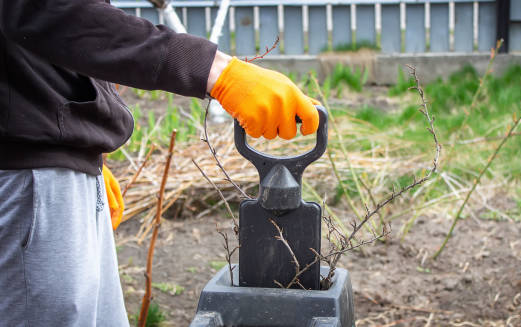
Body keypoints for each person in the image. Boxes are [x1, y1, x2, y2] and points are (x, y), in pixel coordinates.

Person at [0, 0, 319, 326]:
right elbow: (45, 11)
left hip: (55, 176)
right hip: (29, 182)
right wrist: (216, 71)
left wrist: (84, 153)